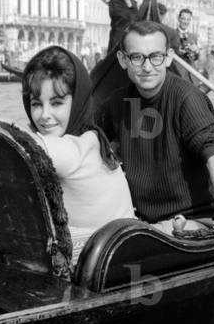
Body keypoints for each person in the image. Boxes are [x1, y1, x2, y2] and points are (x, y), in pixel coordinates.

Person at [100, 20, 214, 230]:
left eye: (156, 57)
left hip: (195, 220)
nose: (147, 67)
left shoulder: (187, 99)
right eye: (137, 57)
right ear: (122, 60)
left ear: (168, 58)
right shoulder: (116, 103)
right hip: (142, 222)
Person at [21, 46, 135, 260]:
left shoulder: (76, 149)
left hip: (108, 266)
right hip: (115, 254)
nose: (45, 116)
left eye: (56, 103)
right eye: (36, 104)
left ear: (78, 101)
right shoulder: (91, 137)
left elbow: (12, 144)